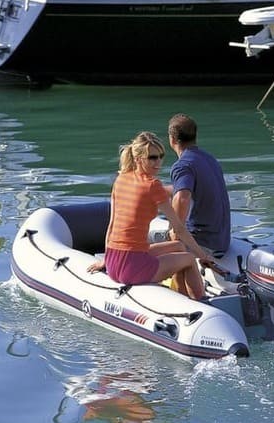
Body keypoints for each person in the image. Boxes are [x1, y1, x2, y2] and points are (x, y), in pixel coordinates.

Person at [87, 131, 216, 299]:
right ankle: (201, 303)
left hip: (113, 263)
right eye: (152, 158)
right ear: (138, 159)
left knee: (178, 246)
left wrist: (106, 259)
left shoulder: (121, 179)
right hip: (133, 268)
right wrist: (203, 256)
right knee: (190, 259)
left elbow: (112, 225)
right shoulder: (153, 185)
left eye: (161, 156)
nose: (158, 162)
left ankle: (180, 295)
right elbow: (179, 228)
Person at [167, 114, 231, 258]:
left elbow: (182, 198)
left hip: (202, 242)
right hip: (222, 241)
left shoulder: (182, 165)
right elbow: (196, 189)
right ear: (195, 136)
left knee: (148, 241)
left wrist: (175, 232)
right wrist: (160, 191)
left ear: (172, 139)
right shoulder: (209, 159)